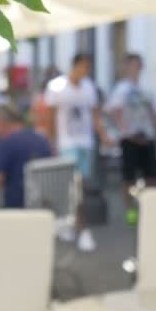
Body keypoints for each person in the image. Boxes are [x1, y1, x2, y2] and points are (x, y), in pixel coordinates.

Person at [44, 53, 111, 252]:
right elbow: (50, 116)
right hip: (66, 142)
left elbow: (95, 115)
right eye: (83, 66)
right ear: (75, 66)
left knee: (80, 185)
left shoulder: (88, 87)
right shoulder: (58, 87)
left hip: (85, 142)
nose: (85, 71)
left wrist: (104, 135)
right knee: (73, 185)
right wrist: (51, 141)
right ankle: (78, 226)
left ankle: (73, 223)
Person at [106, 53, 156, 225]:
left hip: (147, 136)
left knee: (150, 176)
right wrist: (127, 132)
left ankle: (148, 209)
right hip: (130, 139)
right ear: (127, 66)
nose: (136, 68)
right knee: (128, 178)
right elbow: (115, 111)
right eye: (133, 64)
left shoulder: (146, 89)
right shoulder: (122, 89)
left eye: (138, 64)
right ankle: (131, 210)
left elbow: (152, 112)